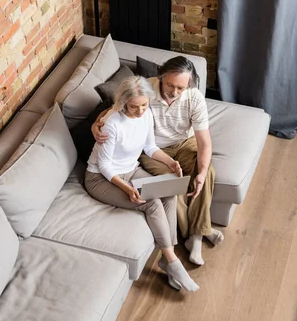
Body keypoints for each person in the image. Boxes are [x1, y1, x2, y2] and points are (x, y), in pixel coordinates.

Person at [92, 56, 224, 266]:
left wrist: (200, 172)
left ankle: (197, 236)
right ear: (161, 77)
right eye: (170, 85)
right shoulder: (147, 90)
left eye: (181, 88)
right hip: (155, 149)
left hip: (185, 142)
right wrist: (95, 126)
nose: (174, 92)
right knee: (170, 183)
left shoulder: (194, 98)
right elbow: (115, 109)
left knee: (206, 172)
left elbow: (204, 142)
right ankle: (197, 232)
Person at [85, 75, 199, 293]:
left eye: (144, 105)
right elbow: (105, 165)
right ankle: (174, 263)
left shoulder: (146, 115)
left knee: (168, 190)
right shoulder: (112, 123)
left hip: (131, 169)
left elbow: (149, 146)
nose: (140, 111)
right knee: (152, 203)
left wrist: (170, 162)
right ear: (123, 103)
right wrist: (127, 188)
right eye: (134, 107)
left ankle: (168, 258)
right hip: (100, 178)